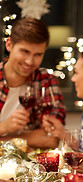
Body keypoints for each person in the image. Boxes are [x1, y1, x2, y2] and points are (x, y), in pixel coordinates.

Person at [0, 18, 65, 149]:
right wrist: (4, 127)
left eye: (38, 54)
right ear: (9, 45)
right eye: (25, 51)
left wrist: (4, 140)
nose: (30, 61)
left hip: (31, 166)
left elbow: (51, 138)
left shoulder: (46, 81)